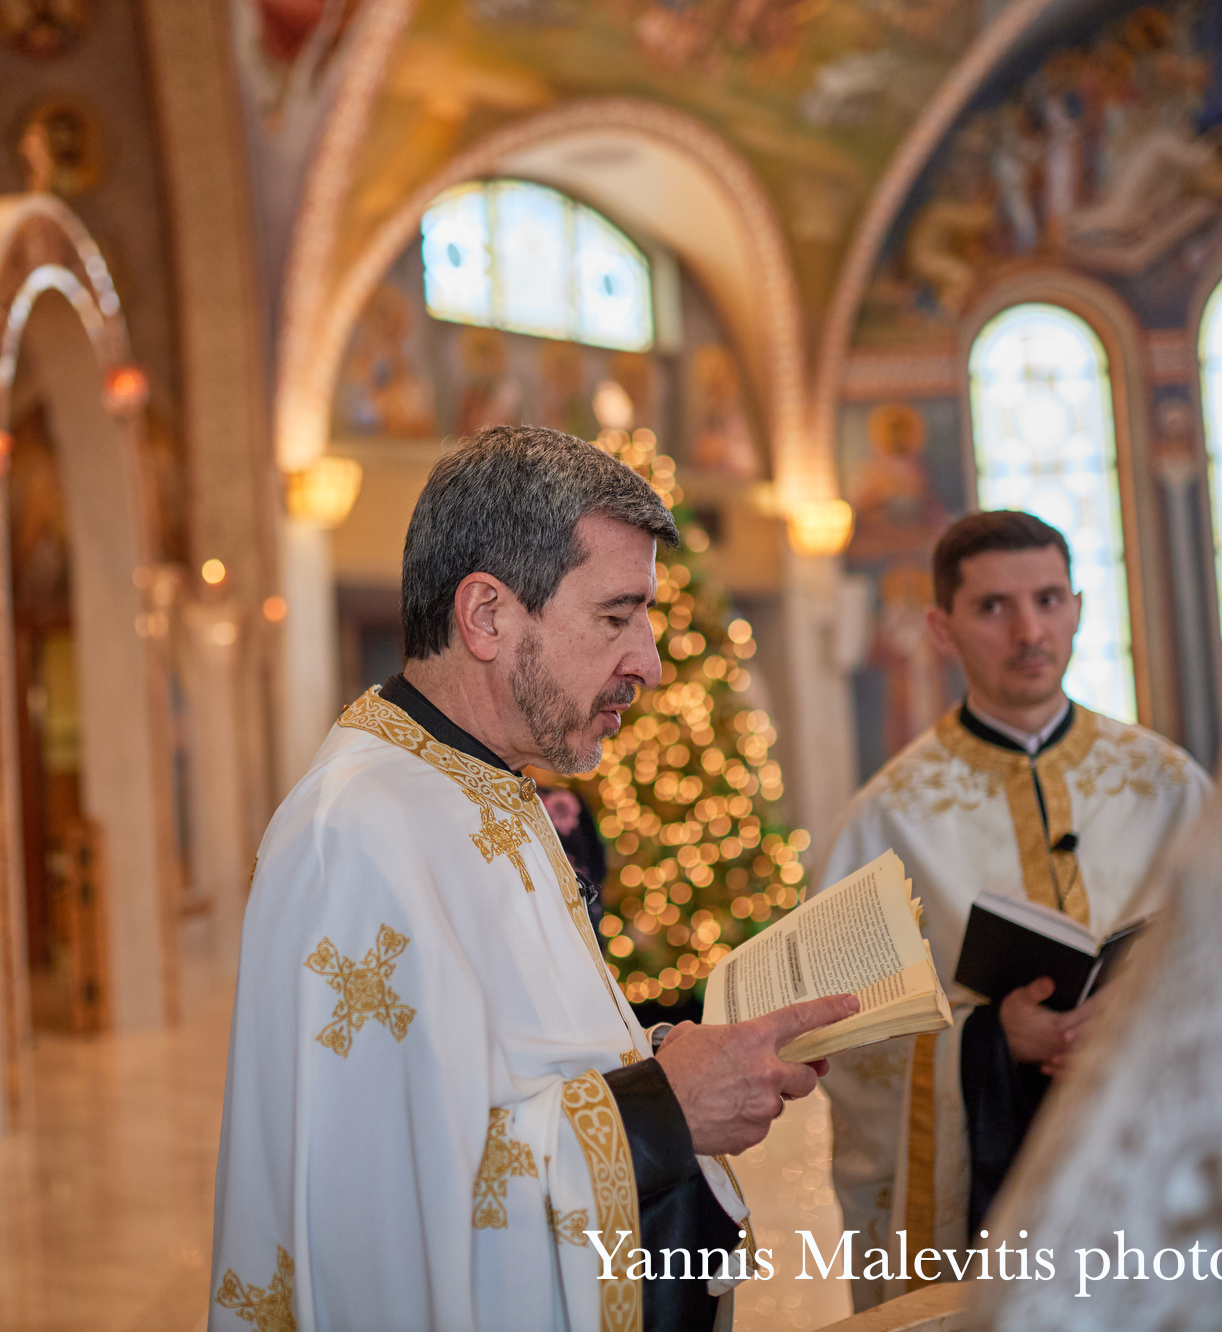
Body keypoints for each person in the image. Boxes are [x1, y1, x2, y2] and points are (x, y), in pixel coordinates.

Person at [210, 425, 856, 1331]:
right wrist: (665, 1113)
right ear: (486, 617)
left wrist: (654, 1065)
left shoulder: (486, 787)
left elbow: (512, 1077)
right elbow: (380, 1224)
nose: (650, 663)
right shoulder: (355, 834)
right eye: (615, 616)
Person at [816, 510, 1210, 1310]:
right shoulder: (888, 817)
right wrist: (988, 1039)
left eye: (1049, 599)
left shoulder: (1167, 785)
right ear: (941, 627)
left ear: (1077, 608)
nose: (1030, 630)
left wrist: (1140, 1015)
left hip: (1151, 1155)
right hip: (989, 1198)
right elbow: (845, 1038)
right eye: (994, 607)